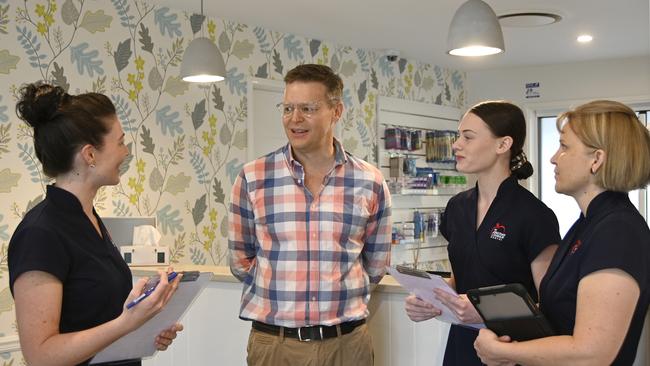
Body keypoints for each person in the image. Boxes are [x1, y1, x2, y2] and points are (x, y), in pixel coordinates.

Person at [9, 82, 183, 366]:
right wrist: (127, 324)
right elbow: (40, 355)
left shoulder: (89, 221)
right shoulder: (40, 233)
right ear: (90, 155)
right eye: (120, 142)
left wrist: (144, 328)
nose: (126, 152)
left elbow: (98, 322)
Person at [228, 64, 392, 365]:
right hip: (275, 345)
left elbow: (375, 265)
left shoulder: (370, 181)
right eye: (288, 108)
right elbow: (241, 261)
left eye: (308, 108)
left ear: (336, 111)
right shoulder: (253, 177)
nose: (295, 119)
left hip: (347, 345)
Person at [474, 100, 650, 365]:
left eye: (564, 147)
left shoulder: (618, 232)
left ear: (597, 159)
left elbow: (593, 353)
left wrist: (504, 352)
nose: (554, 158)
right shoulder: (588, 224)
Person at [404, 101, 561, 365]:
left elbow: (548, 304)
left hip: (511, 350)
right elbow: (462, 280)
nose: (456, 145)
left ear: (503, 145)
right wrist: (429, 299)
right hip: (462, 343)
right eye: (457, 136)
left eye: (468, 137)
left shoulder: (535, 215)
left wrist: (485, 312)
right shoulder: (457, 207)